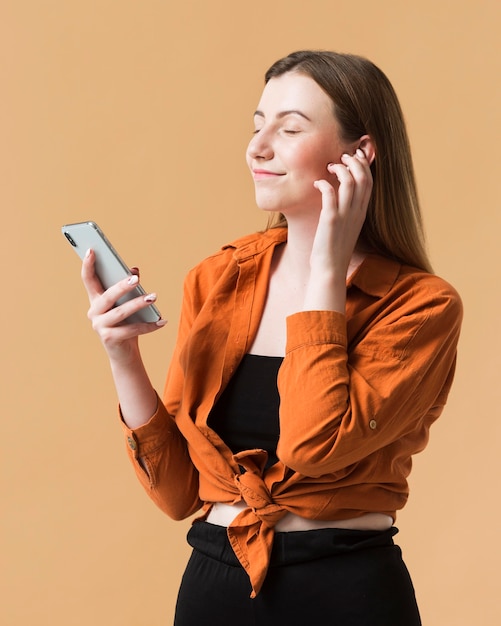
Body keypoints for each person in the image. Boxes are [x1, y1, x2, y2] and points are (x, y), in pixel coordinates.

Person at [81, 50, 463, 625]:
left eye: (289, 128)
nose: (257, 148)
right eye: (258, 125)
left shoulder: (421, 306)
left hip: (347, 590)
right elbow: (180, 495)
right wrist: (123, 354)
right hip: (215, 585)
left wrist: (326, 274)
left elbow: (313, 447)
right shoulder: (218, 278)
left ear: (360, 152)